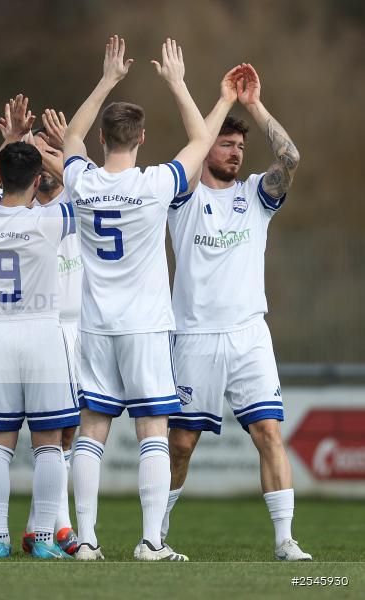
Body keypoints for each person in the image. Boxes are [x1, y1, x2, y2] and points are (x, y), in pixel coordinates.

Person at [61, 36, 238, 562]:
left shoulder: (82, 183)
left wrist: (107, 78)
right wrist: (179, 84)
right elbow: (202, 141)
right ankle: (150, 541)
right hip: (143, 327)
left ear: (102, 137)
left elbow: (70, 136)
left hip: (95, 325)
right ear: (141, 137)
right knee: (152, 430)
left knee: (92, 429)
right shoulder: (156, 183)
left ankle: (87, 541)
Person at [163, 64, 311, 561]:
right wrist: (222, 103)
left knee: (269, 433)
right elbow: (191, 152)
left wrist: (253, 104)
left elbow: (290, 156)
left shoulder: (256, 196)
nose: (235, 152)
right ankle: (156, 531)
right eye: (225, 145)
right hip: (196, 338)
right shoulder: (183, 196)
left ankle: (285, 540)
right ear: (206, 148)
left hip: (250, 336)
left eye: (240, 147)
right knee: (181, 443)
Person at [0, 95, 79, 560]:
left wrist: (11, 141)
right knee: (49, 443)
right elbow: (84, 187)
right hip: (41, 333)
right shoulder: (49, 219)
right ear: (39, 180)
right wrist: (58, 154)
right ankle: (40, 538)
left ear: (2, 175)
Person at [18, 115, 81, 556]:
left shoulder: (82, 202)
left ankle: (39, 525)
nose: (42, 166)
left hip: (81, 332)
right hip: (41, 329)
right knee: (52, 433)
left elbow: (103, 182)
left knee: (71, 433)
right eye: (34, 157)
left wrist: (68, 154)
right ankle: (60, 527)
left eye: (50, 154)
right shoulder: (21, 212)